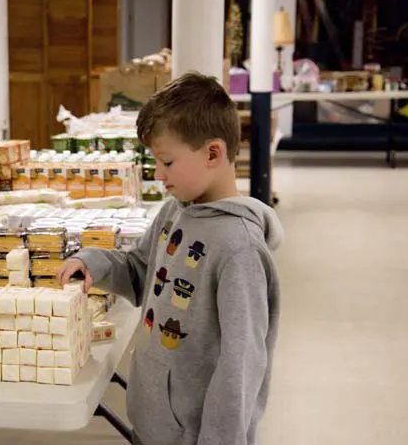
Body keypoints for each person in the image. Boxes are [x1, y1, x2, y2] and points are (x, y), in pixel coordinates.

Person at [58, 72, 284, 445]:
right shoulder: (175, 211)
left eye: (166, 161)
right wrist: (92, 262)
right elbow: (139, 271)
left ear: (213, 153)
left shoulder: (239, 249)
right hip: (155, 422)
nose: (159, 174)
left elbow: (240, 366)